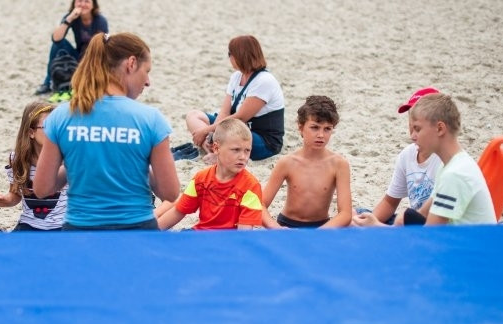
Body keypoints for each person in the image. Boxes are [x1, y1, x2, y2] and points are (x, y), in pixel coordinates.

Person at [33, 32, 180, 230]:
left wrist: (78, 163)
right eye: (147, 71)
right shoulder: (150, 119)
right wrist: (139, 165)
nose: (148, 82)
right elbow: (170, 193)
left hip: (80, 230)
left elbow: (42, 188)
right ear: (131, 63)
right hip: (136, 229)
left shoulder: (62, 116)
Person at [182, 35, 285, 162]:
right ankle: (212, 149)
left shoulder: (264, 80)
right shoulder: (237, 77)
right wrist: (213, 134)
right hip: (235, 128)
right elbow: (225, 112)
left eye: (230, 54)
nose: (229, 58)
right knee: (193, 115)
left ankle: (218, 152)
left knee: (230, 134)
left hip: (262, 139)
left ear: (240, 56)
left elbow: (241, 117)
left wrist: (206, 131)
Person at [353, 87, 443, 227]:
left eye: (418, 122)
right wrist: (368, 223)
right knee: (355, 214)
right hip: (412, 220)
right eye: (410, 117)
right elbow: (390, 202)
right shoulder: (408, 154)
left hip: (427, 225)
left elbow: (433, 223)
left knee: (403, 220)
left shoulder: (444, 159)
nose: (412, 128)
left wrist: (377, 227)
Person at [156, 118, 263, 231]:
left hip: (229, 243)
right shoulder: (201, 178)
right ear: (216, 148)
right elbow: (178, 211)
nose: (243, 157)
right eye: (236, 150)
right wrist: (150, 233)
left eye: (247, 150)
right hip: (200, 234)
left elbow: (244, 235)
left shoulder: (251, 186)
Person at [262, 95, 352, 229]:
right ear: (300, 127)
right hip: (287, 225)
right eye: (315, 127)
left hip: (322, 227)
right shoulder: (287, 163)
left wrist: (319, 233)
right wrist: (276, 229)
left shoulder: (339, 164)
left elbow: (345, 213)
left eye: (327, 129)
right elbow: (260, 204)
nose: (321, 135)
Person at [404, 93, 495, 225]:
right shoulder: (452, 164)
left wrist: (379, 228)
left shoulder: (454, 174)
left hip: (470, 245)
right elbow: (422, 214)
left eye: (417, 129)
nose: (412, 136)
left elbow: (430, 235)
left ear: (440, 128)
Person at [0, 101, 68, 231]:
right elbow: (15, 195)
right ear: (31, 132)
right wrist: (5, 200)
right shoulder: (18, 159)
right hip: (29, 224)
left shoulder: (68, 157)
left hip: (62, 227)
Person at [34, 0, 109, 99]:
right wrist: (69, 19)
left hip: (92, 59)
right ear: (74, 3)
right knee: (58, 45)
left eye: (87, 1)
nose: (82, 4)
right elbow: (56, 39)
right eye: (79, 1)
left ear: (93, 5)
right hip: (77, 56)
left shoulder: (100, 20)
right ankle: (47, 82)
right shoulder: (71, 17)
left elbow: (102, 46)